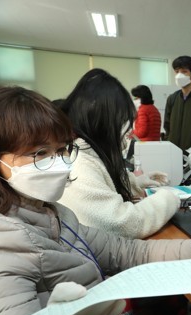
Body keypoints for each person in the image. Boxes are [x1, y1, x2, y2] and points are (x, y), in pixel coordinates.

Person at [0, 86, 191, 315]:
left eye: (60, 150)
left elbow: (124, 250)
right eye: (39, 153)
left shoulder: (54, 215)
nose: (57, 164)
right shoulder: (7, 246)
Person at [58, 69, 179, 239]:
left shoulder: (87, 150)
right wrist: (169, 197)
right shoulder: (80, 162)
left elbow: (103, 183)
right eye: (122, 121)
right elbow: (121, 223)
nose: (128, 131)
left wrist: (138, 182)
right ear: (103, 121)